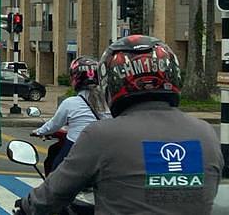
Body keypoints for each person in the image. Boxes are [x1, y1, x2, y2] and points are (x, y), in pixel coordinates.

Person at [16, 35, 223, 215]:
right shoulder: (205, 133)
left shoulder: (101, 135)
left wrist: (25, 207)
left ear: (112, 83)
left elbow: (53, 194)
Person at [30, 56, 110, 173]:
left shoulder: (70, 103)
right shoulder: (108, 102)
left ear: (75, 78)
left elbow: (54, 125)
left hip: (75, 147)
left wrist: (38, 132)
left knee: (55, 175)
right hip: (104, 149)